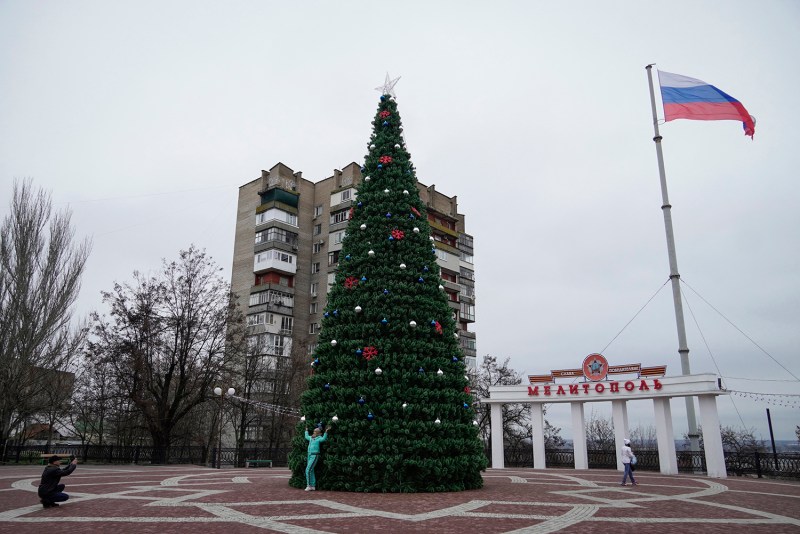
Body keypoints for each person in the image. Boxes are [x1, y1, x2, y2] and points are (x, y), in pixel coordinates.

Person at [304, 425, 329, 491]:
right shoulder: (311, 438)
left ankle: (308, 485)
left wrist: (326, 432)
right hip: (309, 455)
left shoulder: (319, 438)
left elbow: (324, 439)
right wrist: (306, 430)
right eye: (314, 431)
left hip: (314, 455)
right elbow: (306, 436)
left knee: (308, 470)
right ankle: (312, 486)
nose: (314, 432)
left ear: (318, 433)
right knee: (311, 470)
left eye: (315, 431)